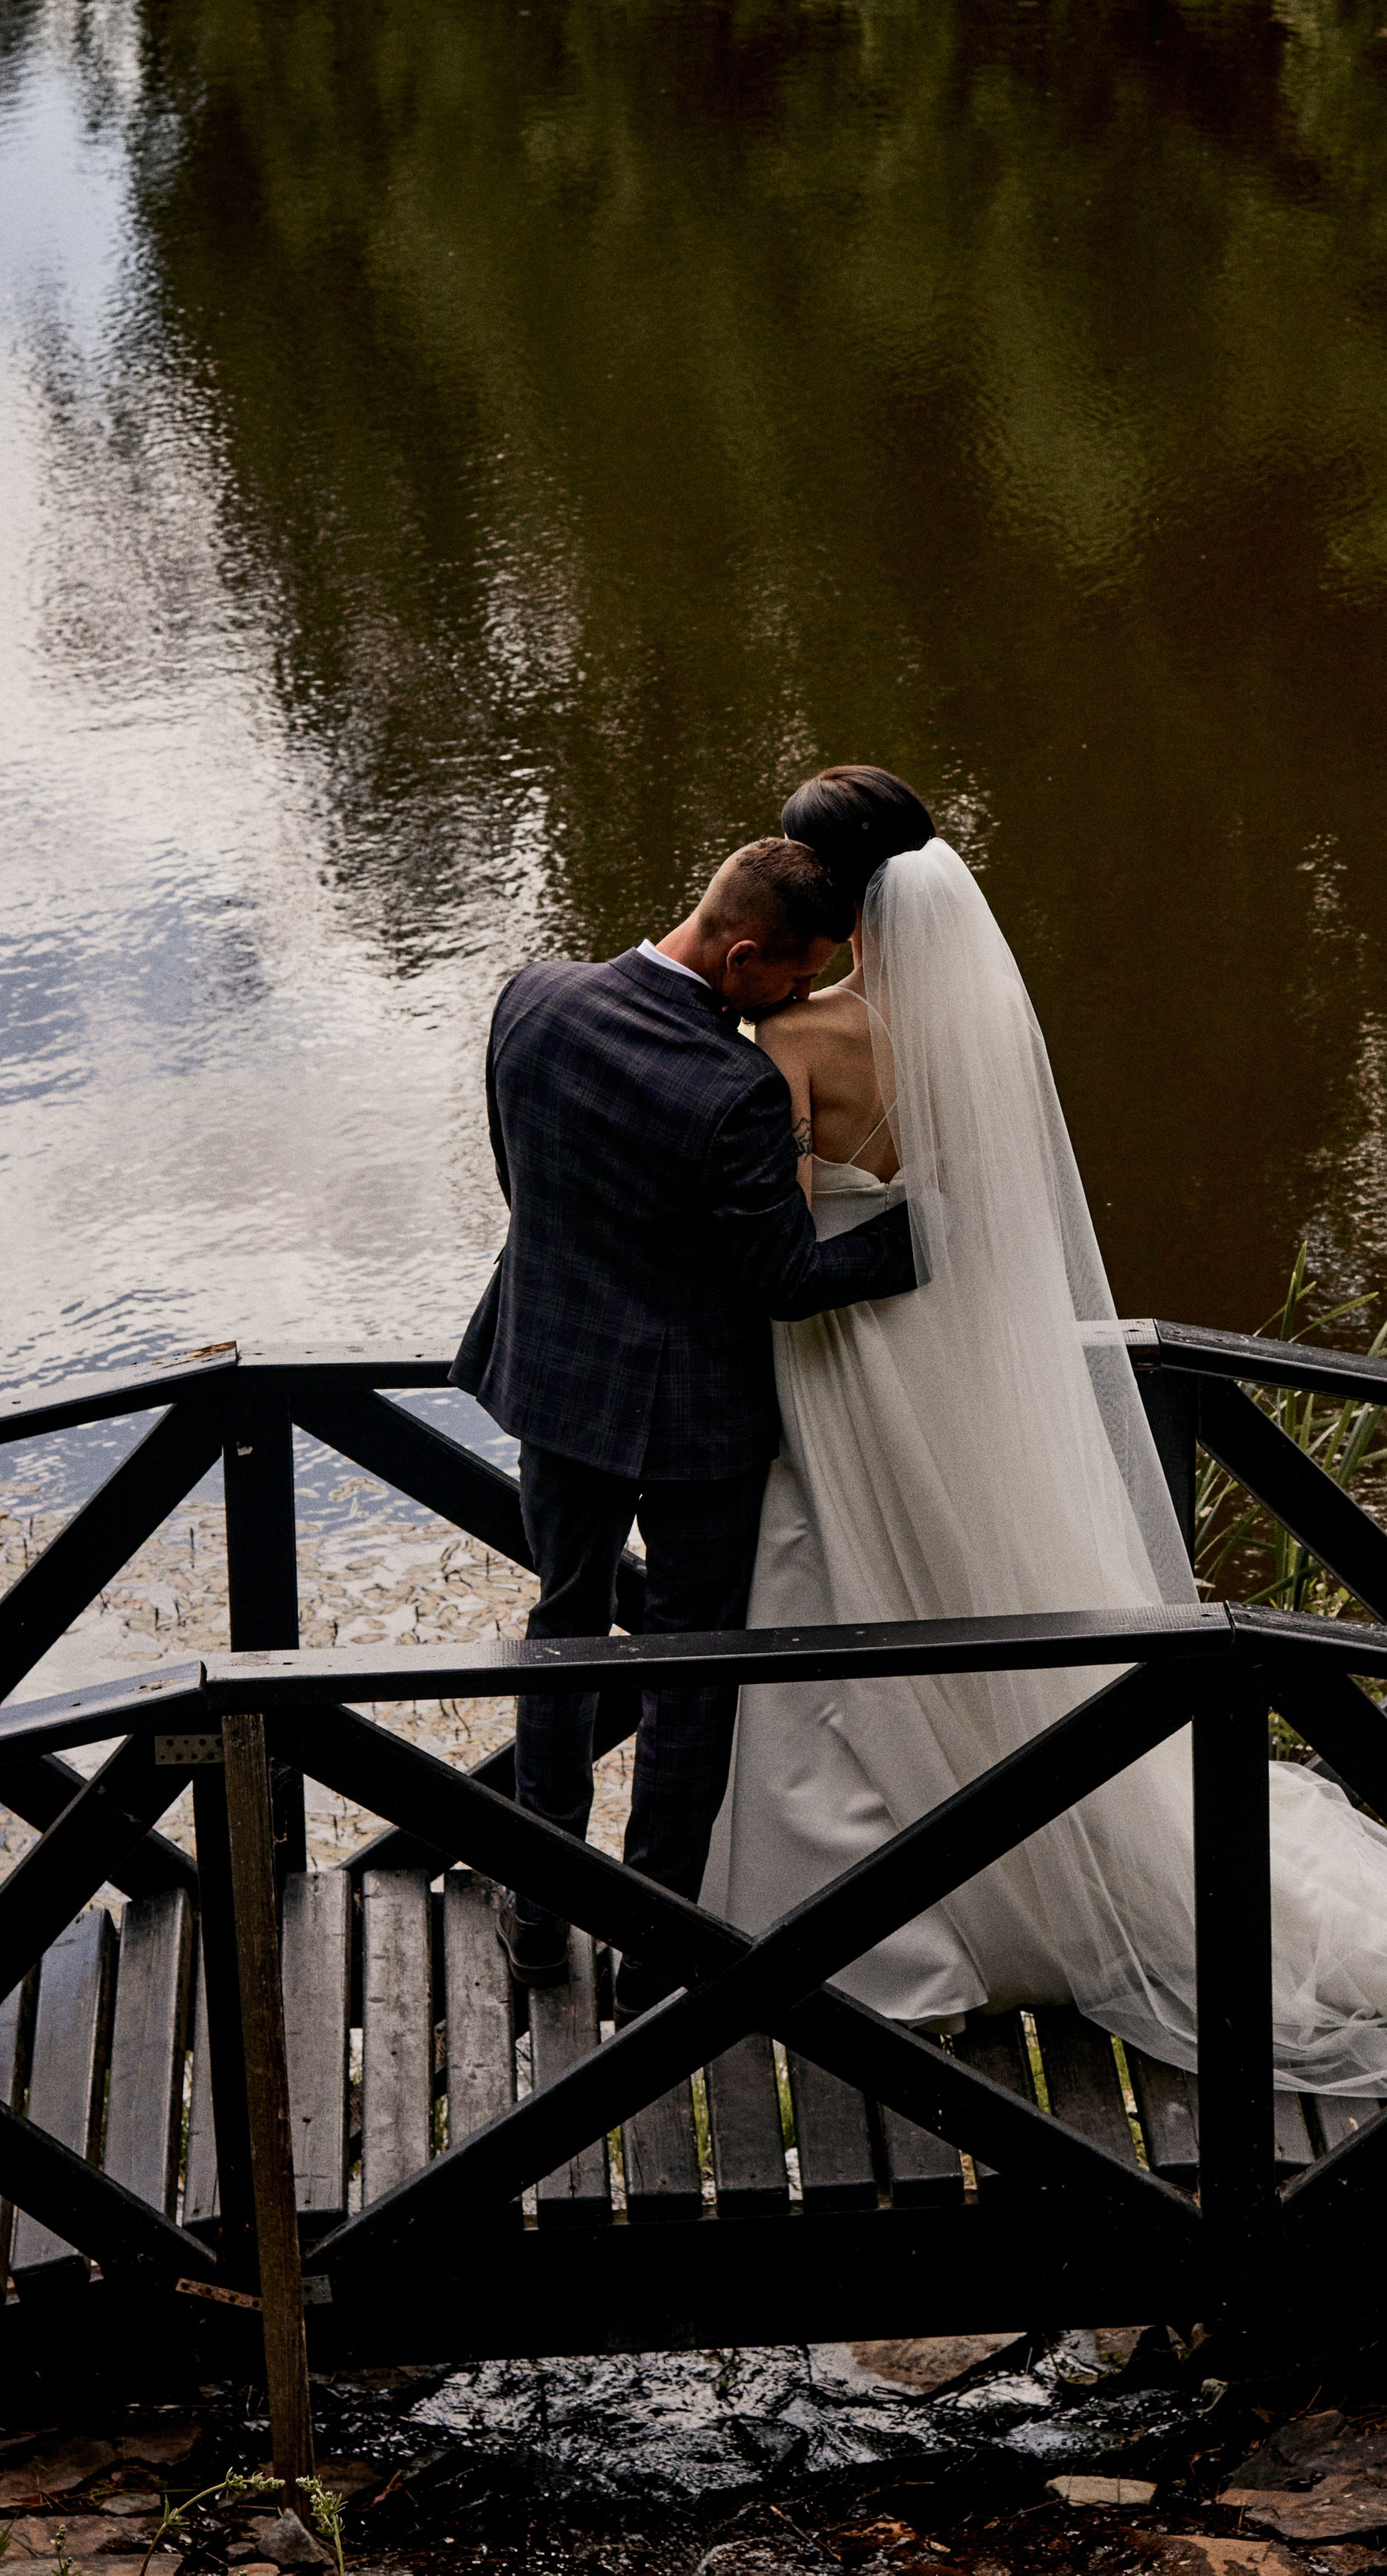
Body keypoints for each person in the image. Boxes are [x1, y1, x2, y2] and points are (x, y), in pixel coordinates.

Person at [702, 767, 1387, 2092]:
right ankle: (1025, 1870)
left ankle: (864, 1933)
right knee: (988, 1592)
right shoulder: (986, 1030)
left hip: (846, 1370)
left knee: (832, 1599)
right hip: (963, 1372)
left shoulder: (798, 1039)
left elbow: (775, 1246)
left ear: (825, 899)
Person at [453, 836, 921, 2002]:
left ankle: (538, 1906)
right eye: (801, 981)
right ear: (748, 954)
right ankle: (652, 1940)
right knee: (690, 1668)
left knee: (562, 1628)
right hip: (697, 1420)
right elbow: (784, 1279)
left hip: (555, 1380)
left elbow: (522, 1176)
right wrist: (932, 1234)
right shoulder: (734, 1090)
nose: (804, 1005)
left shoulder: (535, 995)